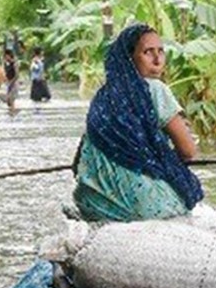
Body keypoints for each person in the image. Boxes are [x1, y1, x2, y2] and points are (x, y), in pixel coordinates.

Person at [72, 24, 202, 222]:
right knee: (185, 195)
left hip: (90, 202)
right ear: (129, 58)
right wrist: (162, 160)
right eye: (148, 52)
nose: (158, 60)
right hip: (142, 206)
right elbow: (189, 151)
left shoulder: (102, 97)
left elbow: (77, 163)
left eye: (161, 52)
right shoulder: (156, 90)